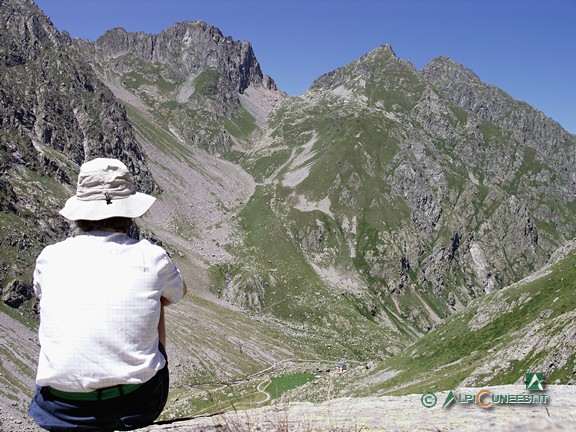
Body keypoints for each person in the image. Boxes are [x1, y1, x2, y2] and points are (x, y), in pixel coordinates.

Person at [28, 158, 187, 431]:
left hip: (61, 411)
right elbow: (178, 294)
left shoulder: (49, 257)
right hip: (135, 407)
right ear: (128, 211)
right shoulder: (151, 256)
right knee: (159, 299)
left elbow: (40, 293)